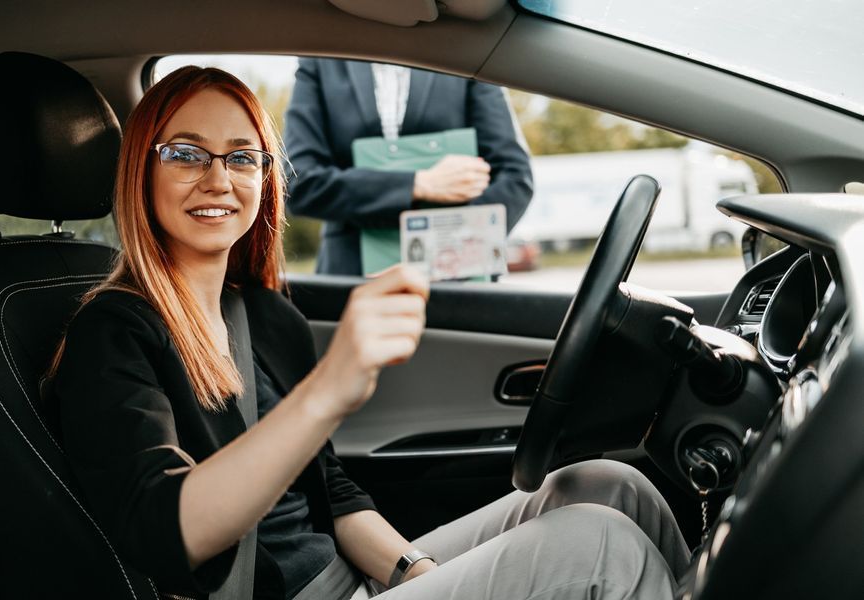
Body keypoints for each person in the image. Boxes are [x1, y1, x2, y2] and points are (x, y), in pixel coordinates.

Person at [43, 66, 688, 600]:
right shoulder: (113, 333)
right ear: (140, 169)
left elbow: (332, 494)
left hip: (352, 582)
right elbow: (162, 530)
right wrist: (326, 391)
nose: (218, 179)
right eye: (185, 154)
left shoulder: (266, 317)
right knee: (600, 546)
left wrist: (410, 572)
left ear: (265, 179)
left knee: (607, 485)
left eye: (242, 157)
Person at [284, 58, 534, 275]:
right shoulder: (321, 60)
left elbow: (514, 176)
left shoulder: (466, 56)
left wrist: (452, 242)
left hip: (457, 272)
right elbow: (299, 182)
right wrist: (419, 184)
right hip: (351, 274)